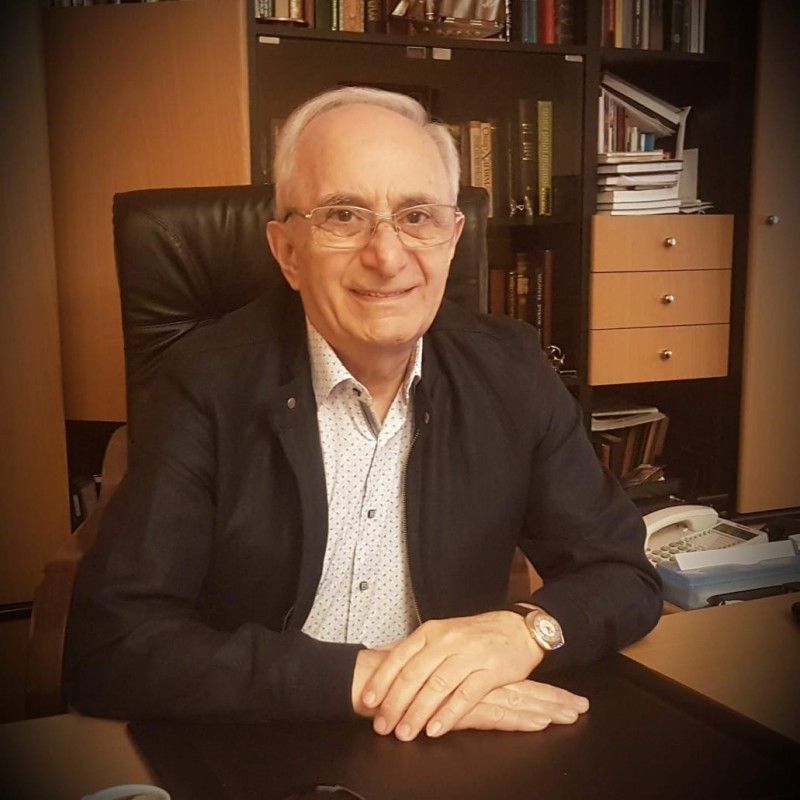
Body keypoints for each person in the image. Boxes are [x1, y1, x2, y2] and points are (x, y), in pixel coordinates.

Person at [65, 87, 661, 742]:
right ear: (288, 252)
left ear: (453, 238)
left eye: (418, 216)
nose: (387, 255)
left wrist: (527, 631)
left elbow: (623, 574)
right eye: (344, 216)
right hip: (255, 738)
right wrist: (368, 681)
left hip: (451, 741)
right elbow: (114, 646)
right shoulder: (203, 382)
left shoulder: (511, 370)